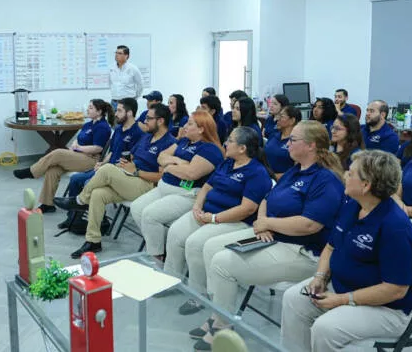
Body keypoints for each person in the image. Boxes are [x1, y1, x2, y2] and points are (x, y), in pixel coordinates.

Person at [192, 121, 344, 350]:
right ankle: (218, 315)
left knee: (222, 264)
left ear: (311, 145)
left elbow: (309, 225)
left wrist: (268, 223)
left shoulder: (325, 179)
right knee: (211, 246)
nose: (287, 144)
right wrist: (262, 223)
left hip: (302, 251)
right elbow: (266, 198)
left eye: (293, 140)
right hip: (272, 236)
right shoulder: (295, 170)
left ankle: (223, 325)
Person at [281, 150, 412, 352]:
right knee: (293, 299)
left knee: (326, 328)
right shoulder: (353, 206)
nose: (345, 175)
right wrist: (320, 277)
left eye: (351, 173)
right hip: (343, 287)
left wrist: (342, 300)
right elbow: (330, 247)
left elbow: (395, 289)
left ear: (366, 186)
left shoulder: (395, 227)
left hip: (388, 308)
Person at [164, 127, 273, 316]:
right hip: (207, 213)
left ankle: (199, 295)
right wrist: (197, 206)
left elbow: (247, 209)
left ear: (242, 148)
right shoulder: (227, 163)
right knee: (175, 232)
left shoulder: (257, 172)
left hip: (234, 221)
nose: (225, 143)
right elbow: (207, 186)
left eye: (230, 140)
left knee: (195, 243)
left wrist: (214, 218)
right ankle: (171, 280)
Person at [55, 104, 176, 258]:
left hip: (146, 185)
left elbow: (161, 177)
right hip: (129, 178)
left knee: (106, 169)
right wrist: (124, 165)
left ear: (160, 121)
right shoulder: (147, 137)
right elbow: (132, 157)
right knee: (98, 194)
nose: (145, 121)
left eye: (149, 118)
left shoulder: (170, 144)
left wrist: (136, 171)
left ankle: (80, 200)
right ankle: (93, 241)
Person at [131, 111, 225, 260]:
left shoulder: (210, 149)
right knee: (136, 207)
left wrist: (169, 167)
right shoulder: (184, 141)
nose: (184, 126)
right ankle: (161, 245)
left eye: (190, 124)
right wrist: (178, 161)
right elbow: (161, 157)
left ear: (201, 129)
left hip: (186, 194)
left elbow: (191, 174)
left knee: (150, 215)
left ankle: (157, 256)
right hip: (164, 187)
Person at [56, 98, 142, 230]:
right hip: (106, 167)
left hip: (119, 172)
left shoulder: (138, 133)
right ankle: (73, 218)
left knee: (88, 183)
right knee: (75, 179)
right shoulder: (119, 129)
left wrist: (107, 167)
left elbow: (132, 160)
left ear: (129, 113)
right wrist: (101, 163)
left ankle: (99, 220)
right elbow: (111, 152)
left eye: (119, 111)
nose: (116, 114)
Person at [13, 99, 114, 212]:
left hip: (92, 160)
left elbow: (98, 148)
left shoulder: (102, 127)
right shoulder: (87, 125)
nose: (87, 110)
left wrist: (78, 148)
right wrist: (74, 145)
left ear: (99, 112)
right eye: (88, 107)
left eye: (91, 108)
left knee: (58, 153)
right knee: (53, 169)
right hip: (79, 156)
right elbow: (78, 139)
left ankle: (32, 172)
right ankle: (47, 204)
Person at [265, 106, 302, 179]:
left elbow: (297, 171)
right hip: (266, 176)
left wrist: (273, 177)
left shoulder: (298, 141)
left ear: (292, 120)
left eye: (281, 116)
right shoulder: (273, 135)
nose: (277, 119)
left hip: (284, 180)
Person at [110, 45, 143, 111]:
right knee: (113, 118)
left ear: (126, 56)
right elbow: (110, 84)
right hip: (114, 102)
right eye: (116, 53)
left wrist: (134, 98)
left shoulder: (133, 69)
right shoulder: (111, 68)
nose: (116, 55)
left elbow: (140, 85)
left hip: (128, 103)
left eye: (119, 53)